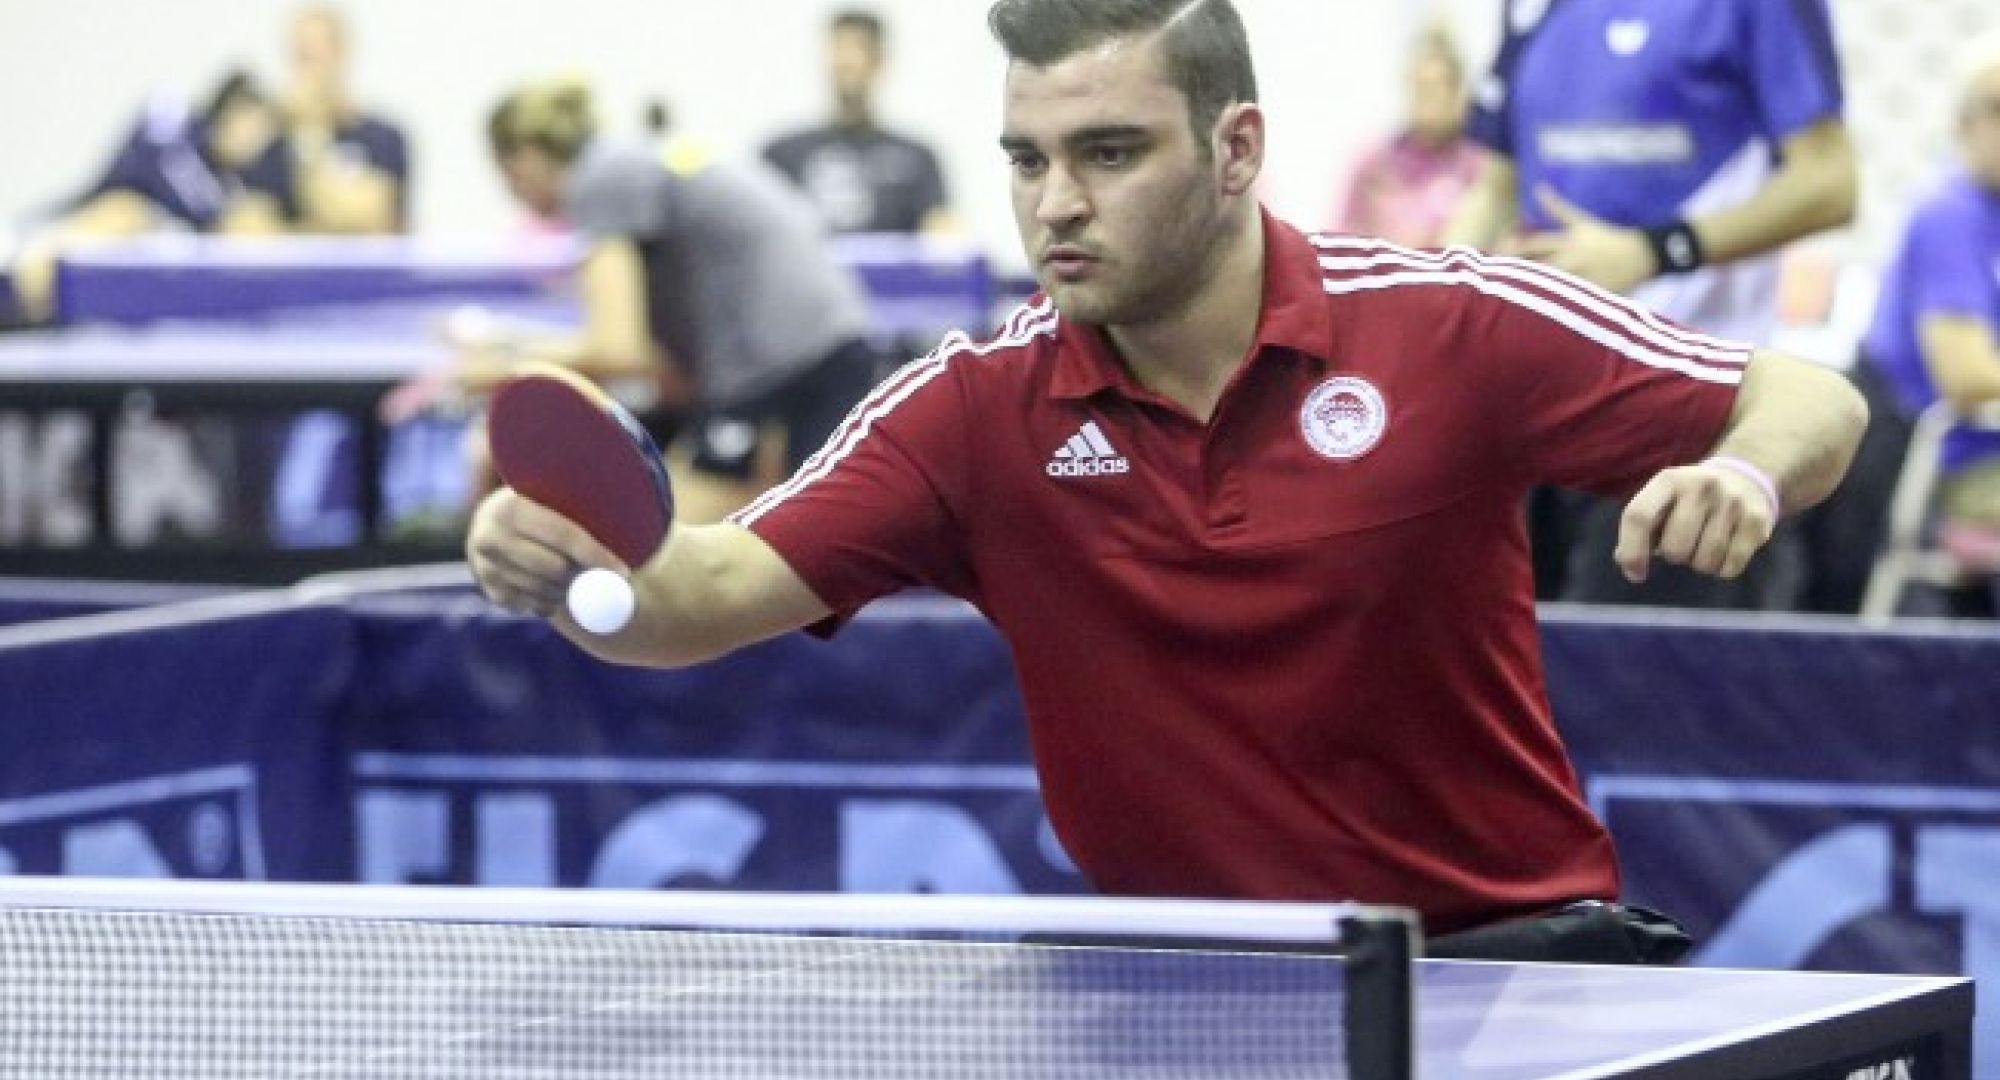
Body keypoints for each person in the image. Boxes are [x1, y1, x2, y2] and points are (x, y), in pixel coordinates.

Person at [466, 0, 1866, 953]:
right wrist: (571, 569)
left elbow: (1810, 399)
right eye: (1026, 159)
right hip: (1189, 994)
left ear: (1235, 148)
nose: (1055, 203)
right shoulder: (974, 409)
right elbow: (698, 597)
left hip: (1506, 970)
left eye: (1109, 153)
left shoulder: (1450, 324)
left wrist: (1745, 475)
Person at [1448, 0, 1858, 610]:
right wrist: (1432, 293)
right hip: (1531, 408)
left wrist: (1654, 250)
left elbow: (1830, 183)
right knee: (1513, 655)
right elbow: (1495, 188)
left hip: (1686, 414)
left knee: (1642, 663)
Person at [473, 77, 879, 523]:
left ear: (525, 157)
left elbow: (617, 348)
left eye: (505, 171)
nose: (509, 189)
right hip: (822, 344)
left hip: (786, 364)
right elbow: (660, 366)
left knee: (672, 549)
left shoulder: (600, 179)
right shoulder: (634, 163)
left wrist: (501, 366)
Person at [1850, 32, 2000, 617]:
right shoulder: (1951, 217)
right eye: (1996, 109)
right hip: (1949, 462)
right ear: (1963, 124)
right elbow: (1966, 378)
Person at [10, 70, 292, 322]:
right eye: (254, 125)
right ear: (231, 114)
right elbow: (146, 175)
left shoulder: (236, 189)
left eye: (265, 133)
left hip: (144, 283)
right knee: (124, 213)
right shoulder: (175, 130)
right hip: (92, 226)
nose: (257, 140)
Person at [763, 9, 956, 236]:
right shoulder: (783, 155)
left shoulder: (916, 159)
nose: (847, 61)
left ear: (879, 62)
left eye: (859, 48)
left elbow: (943, 236)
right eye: (838, 48)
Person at [1329, 21, 1482, 249]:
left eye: (1437, 88)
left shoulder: (1478, 165)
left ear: (1457, 91)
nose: (1428, 102)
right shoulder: (1372, 161)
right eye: (1421, 88)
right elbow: (1338, 235)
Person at [274, 4, 411, 234]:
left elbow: (371, 219)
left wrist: (311, 134)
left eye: (314, 57)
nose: (308, 71)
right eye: (299, 57)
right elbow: (256, 228)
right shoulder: (273, 140)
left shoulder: (383, 138)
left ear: (342, 54)